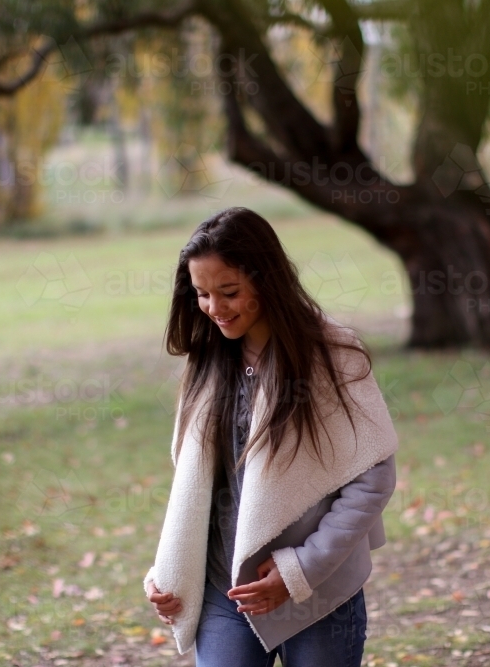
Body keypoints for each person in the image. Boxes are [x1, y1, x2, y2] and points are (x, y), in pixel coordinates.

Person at [142, 207, 398, 666]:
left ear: (266, 280)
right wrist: (168, 571)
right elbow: (196, 487)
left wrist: (300, 570)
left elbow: (373, 477)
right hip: (226, 595)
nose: (214, 309)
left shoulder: (331, 355)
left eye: (229, 292)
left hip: (320, 595)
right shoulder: (206, 362)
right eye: (201, 294)